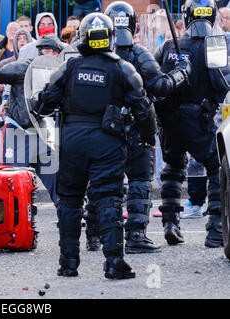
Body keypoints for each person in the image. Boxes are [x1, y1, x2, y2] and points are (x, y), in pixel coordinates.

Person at [38, 12, 157, 279]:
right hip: (106, 141)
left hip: (72, 141)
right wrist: (148, 137)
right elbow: (143, 108)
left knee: (69, 200)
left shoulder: (69, 67)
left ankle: (68, 263)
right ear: (110, 38)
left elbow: (45, 102)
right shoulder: (123, 68)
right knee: (108, 199)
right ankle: (114, 262)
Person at [79, 1, 190, 255]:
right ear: (132, 24)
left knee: (100, 179)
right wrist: (183, 72)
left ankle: (93, 234)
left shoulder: (87, 56)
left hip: (101, 128)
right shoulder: (139, 55)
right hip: (136, 124)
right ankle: (136, 234)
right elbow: (161, 86)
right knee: (139, 179)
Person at [154, 0, 230, 248]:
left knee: (173, 168)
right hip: (199, 118)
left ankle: (170, 223)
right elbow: (222, 83)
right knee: (215, 166)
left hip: (169, 120)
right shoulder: (215, 45)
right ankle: (216, 229)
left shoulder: (167, 46)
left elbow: (154, 78)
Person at [0, 34, 65, 205]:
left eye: (54, 51)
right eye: (46, 49)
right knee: (10, 185)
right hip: (17, 132)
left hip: (44, 134)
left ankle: (67, 224)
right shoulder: (24, 67)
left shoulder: (62, 73)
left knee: (58, 184)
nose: (50, 53)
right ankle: (12, 227)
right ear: (39, 51)